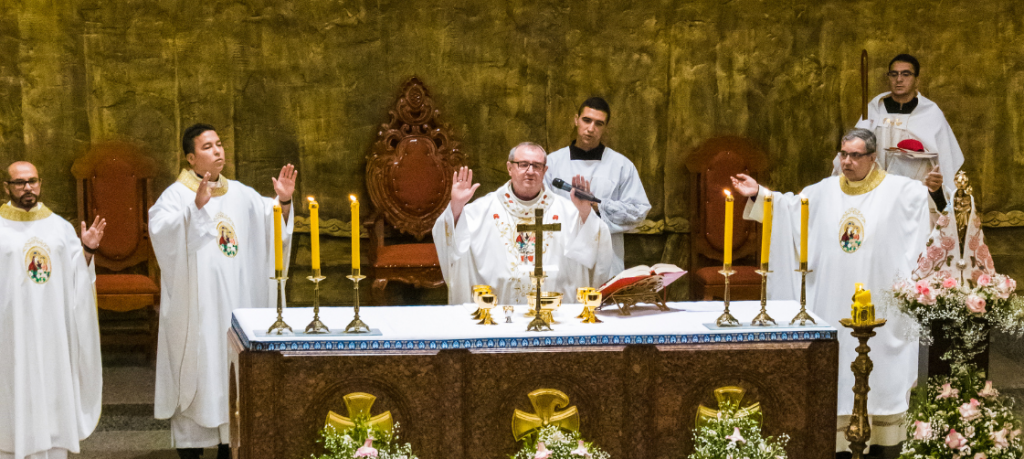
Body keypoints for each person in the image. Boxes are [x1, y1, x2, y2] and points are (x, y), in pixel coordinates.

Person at [733, 128, 931, 455]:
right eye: (843, 154)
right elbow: (789, 209)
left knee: (882, 374)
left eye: (855, 156)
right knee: (835, 372)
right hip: (831, 303)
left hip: (880, 308)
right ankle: (836, 440)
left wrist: (937, 194)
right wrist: (760, 194)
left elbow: (934, 208)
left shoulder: (900, 191)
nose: (847, 162)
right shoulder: (823, 192)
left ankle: (883, 443)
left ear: (873, 158)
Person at [150, 124, 297, 459]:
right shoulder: (176, 196)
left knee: (231, 375)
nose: (217, 151)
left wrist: (284, 201)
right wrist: (195, 210)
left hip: (235, 308)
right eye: (207, 146)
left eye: (219, 144)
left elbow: (274, 228)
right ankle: (191, 449)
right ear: (190, 158)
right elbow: (162, 235)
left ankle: (227, 447)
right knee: (202, 373)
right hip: (198, 312)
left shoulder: (242, 194)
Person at [1, 161, 105, 459]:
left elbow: (77, 279)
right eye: (19, 182)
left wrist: (87, 251)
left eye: (32, 181)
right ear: (7, 187)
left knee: (52, 383)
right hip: (11, 329)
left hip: (51, 331)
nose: (27, 187)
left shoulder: (59, 227)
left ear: (40, 183)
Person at [433, 142, 614, 305]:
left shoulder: (567, 210)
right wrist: (456, 206)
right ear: (509, 168)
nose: (530, 171)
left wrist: (585, 212)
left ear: (544, 171)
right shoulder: (484, 208)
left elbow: (597, 238)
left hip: (554, 306)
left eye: (537, 166)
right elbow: (450, 236)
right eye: (523, 164)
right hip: (499, 306)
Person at [833, 54, 964, 217]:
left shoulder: (931, 114)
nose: (899, 79)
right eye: (894, 74)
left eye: (906, 74)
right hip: (875, 201)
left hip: (915, 205)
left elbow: (946, 165)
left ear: (917, 80)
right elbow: (851, 153)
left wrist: (937, 191)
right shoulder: (874, 110)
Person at [544, 97, 651, 274]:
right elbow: (537, 208)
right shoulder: (552, 163)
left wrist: (596, 207)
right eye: (586, 120)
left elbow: (639, 211)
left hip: (605, 258)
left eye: (599, 123)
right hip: (561, 256)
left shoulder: (621, 166)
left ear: (605, 127)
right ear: (576, 119)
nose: (591, 129)